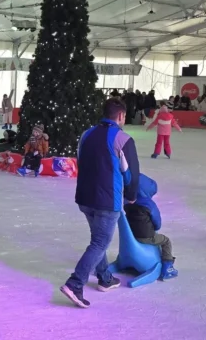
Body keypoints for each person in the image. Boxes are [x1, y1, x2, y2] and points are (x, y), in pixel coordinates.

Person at [60, 98, 140, 308]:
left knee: (97, 239)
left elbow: (80, 161)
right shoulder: (122, 139)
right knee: (100, 242)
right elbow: (131, 173)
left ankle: (105, 278)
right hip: (107, 200)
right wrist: (131, 195)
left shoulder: (86, 134)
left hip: (85, 197)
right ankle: (75, 283)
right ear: (121, 116)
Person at [124, 173, 178, 280]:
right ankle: (167, 267)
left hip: (130, 235)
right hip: (146, 236)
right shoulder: (149, 204)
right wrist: (155, 228)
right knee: (166, 241)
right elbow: (157, 222)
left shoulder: (127, 203)